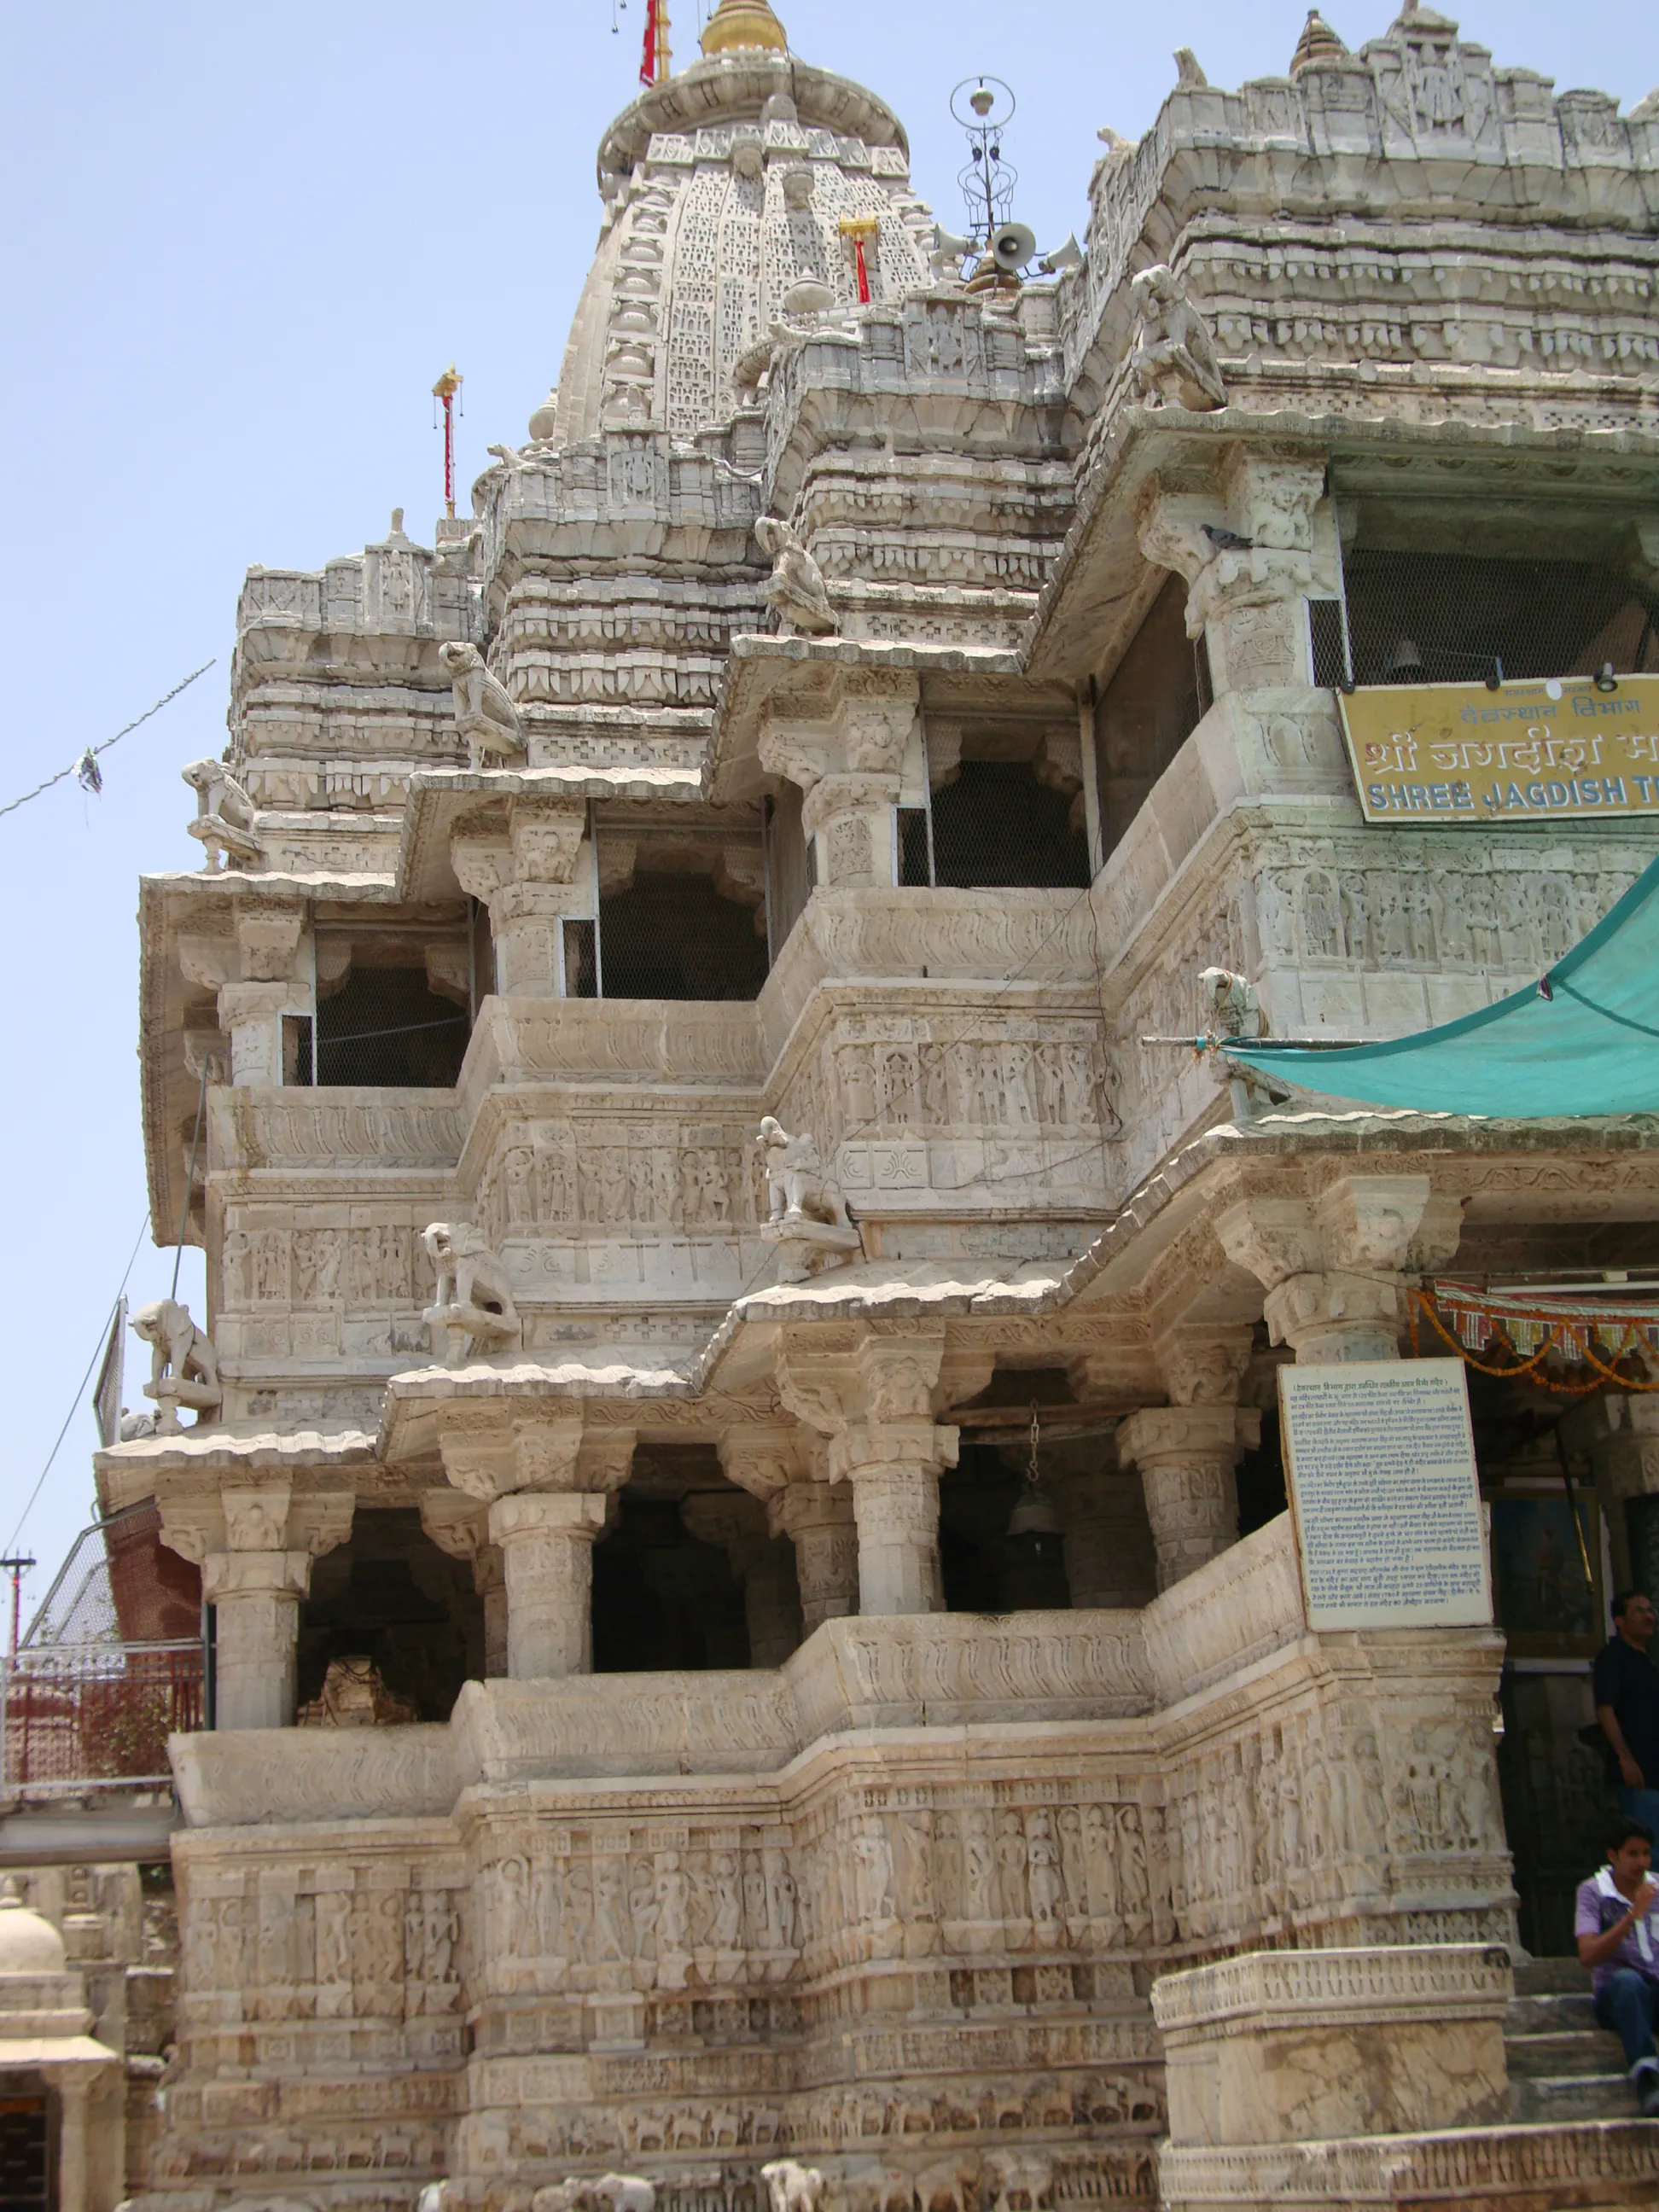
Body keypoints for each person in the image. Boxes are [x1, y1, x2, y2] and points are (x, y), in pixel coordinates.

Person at [1575, 1814, 1659, 2112]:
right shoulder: (1592, 1892)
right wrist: (1632, 1916)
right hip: (1619, 1998)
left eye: (1646, 1853)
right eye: (1632, 1854)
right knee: (1628, 1981)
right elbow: (1587, 1956)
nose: (1641, 1862)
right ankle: (1648, 2078)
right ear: (1613, 1856)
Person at [1593, 1590, 1659, 1832]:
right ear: (1620, 1621)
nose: (1648, 1617)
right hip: (1638, 1773)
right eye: (1639, 1611)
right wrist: (1626, 1759)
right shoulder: (1613, 1659)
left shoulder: (1648, 1662)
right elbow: (1605, 1710)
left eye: (1650, 1610)